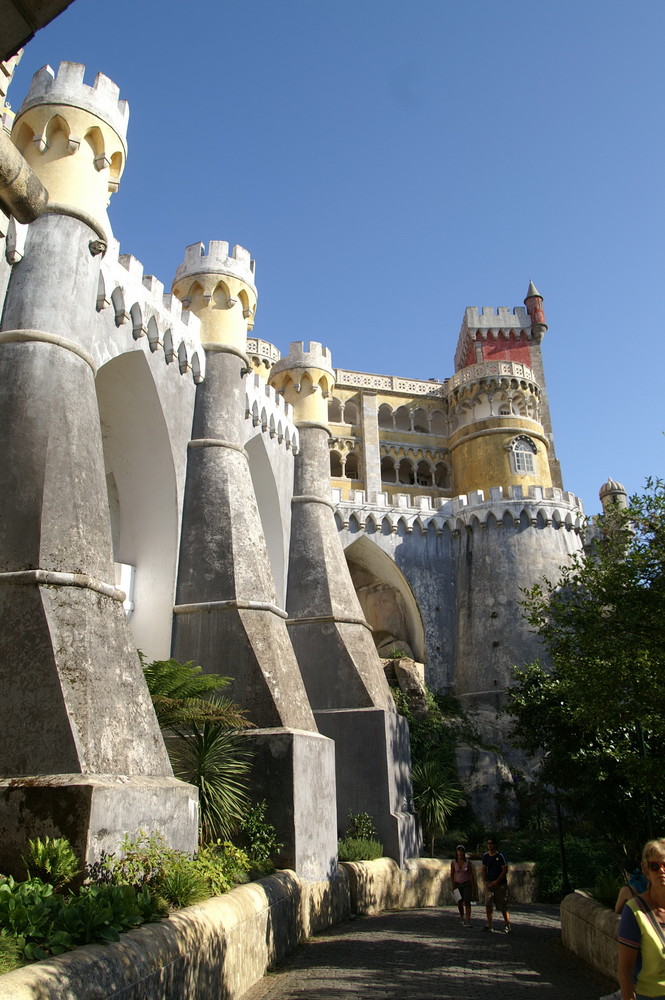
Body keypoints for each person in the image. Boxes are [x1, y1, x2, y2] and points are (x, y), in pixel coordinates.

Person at [618, 838, 665, 1000]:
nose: (661, 871)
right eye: (655, 866)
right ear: (646, 871)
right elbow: (625, 970)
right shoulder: (635, 911)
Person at [482, 837, 510, 933]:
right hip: (489, 883)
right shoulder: (485, 856)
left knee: (503, 905)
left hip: (500, 884)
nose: (489, 845)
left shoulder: (500, 856)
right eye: (488, 843)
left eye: (491, 843)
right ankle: (490, 925)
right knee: (488, 904)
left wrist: (497, 881)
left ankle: (507, 925)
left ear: (495, 845)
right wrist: (485, 881)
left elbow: (505, 870)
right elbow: (484, 869)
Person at [450, 844, 477, 927]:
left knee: (467, 901)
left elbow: (471, 874)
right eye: (459, 850)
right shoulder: (453, 862)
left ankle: (468, 920)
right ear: (456, 852)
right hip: (457, 884)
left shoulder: (467, 863)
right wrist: (452, 885)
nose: (460, 852)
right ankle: (462, 916)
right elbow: (452, 874)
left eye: (462, 851)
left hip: (466, 883)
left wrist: (473, 886)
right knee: (459, 902)